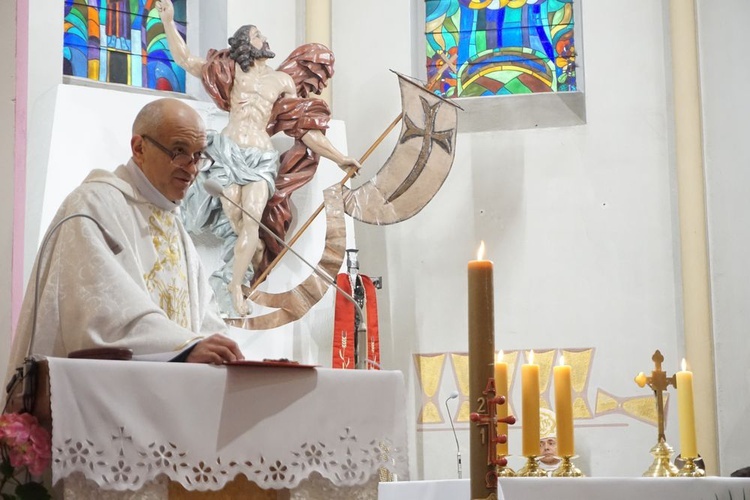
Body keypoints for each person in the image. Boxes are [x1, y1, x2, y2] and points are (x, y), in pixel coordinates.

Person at [5, 98, 244, 382]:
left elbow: (202, 316)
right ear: (139, 148)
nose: (191, 169)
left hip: (168, 395)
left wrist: (226, 350)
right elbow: (101, 314)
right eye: (179, 152)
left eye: (198, 156)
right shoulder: (93, 205)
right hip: (103, 399)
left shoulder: (174, 225)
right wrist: (185, 347)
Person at [157, 0, 360, 316]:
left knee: (250, 220)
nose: (265, 40)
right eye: (258, 36)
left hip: (262, 159)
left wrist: (340, 157)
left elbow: (303, 128)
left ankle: (235, 287)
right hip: (228, 153)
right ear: (245, 45)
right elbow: (185, 59)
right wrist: (169, 22)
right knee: (238, 222)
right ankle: (254, 256)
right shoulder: (230, 71)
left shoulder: (283, 82)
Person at [537, 408, 562, 474]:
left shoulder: (572, 474)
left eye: (551, 443)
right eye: (540, 445)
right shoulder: (527, 475)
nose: (546, 448)